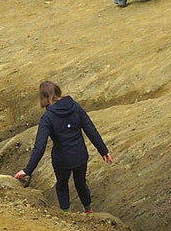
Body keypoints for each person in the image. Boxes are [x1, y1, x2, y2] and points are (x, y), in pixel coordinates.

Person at [14, 81, 112, 213]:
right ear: (58, 91)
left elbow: (40, 146)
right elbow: (90, 128)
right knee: (81, 183)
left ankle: (66, 215)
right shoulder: (75, 106)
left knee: (61, 185)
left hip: (62, 160)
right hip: (80, 156)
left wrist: (27, 170)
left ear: (43, 97)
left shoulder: (47, 118)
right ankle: (89, 210)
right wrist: (103, 151)